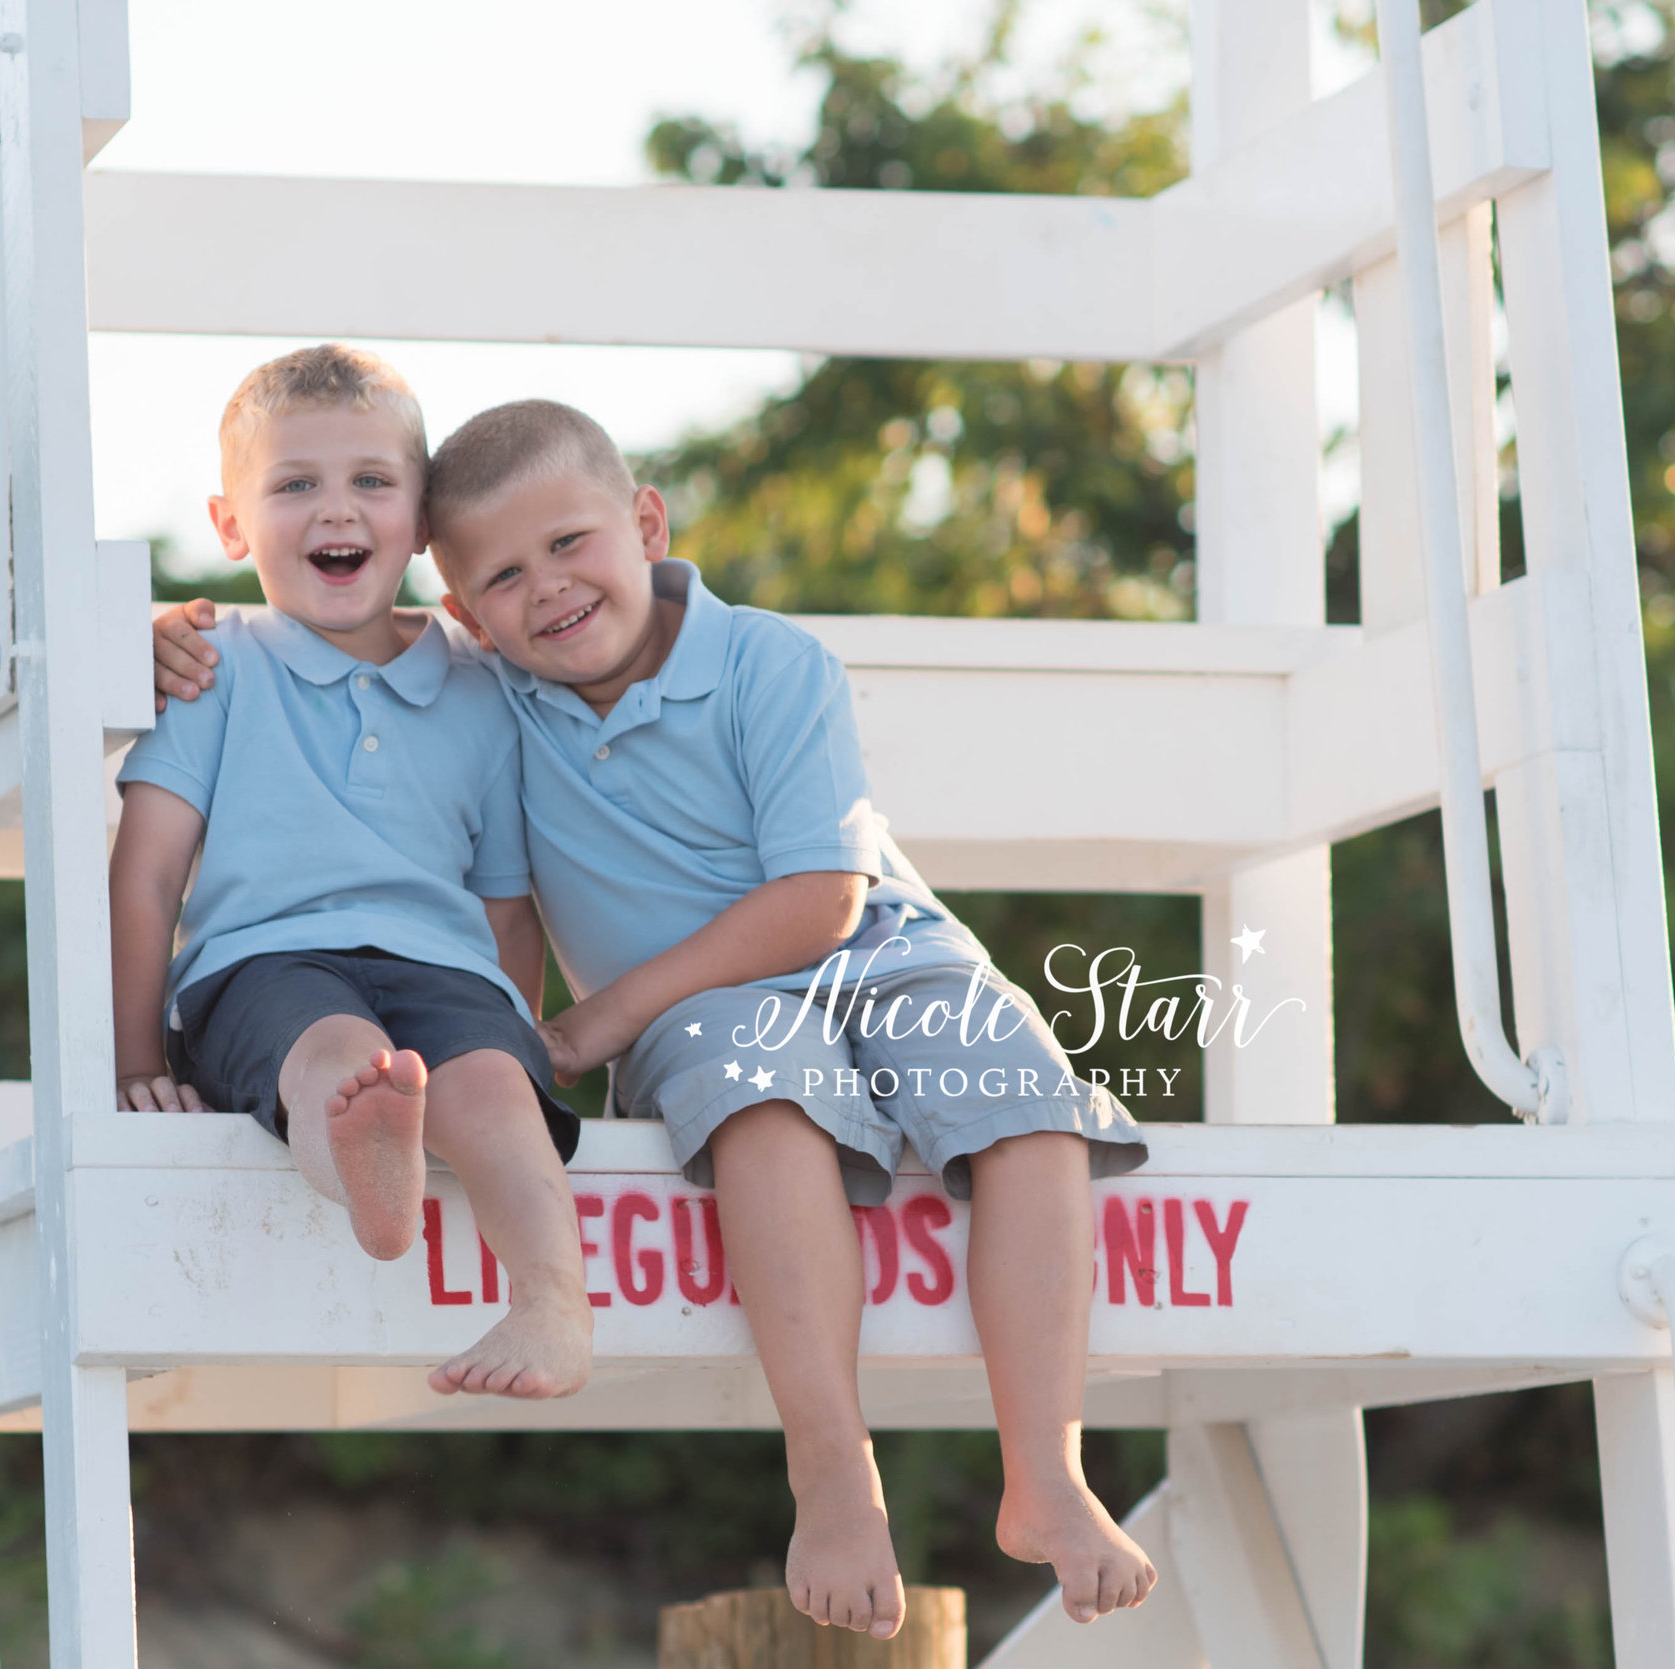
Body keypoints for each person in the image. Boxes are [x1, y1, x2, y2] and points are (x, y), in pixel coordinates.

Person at [152, 398, 1157, 1636]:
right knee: (766, 1106)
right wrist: (170, 632)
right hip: (711, 1017)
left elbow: (820, 902)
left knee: (1020, 1093)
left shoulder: (769, 662)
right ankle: (834, 1470)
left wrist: (593, 1021)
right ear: (464, 614)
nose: (550, 591)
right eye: (504, 579)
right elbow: (341, 650)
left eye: (572, 544)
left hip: (881, 954)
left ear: (644, 520)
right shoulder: (490, 695)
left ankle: (1046, 1472)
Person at [113, 348, 591, 1401]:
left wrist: (517, 1028)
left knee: (489, 1086)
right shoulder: (213, 663)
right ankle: (370, 1165)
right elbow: (145, 875)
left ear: (420, 517)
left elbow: (505, 905)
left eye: (372, 481)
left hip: (444, 967)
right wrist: (136, 1057)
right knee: (335, 1053)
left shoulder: (479, 690)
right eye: (295, 485)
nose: (338, 509)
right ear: (231, 524)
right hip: (264, 962)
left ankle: (553, 1297)